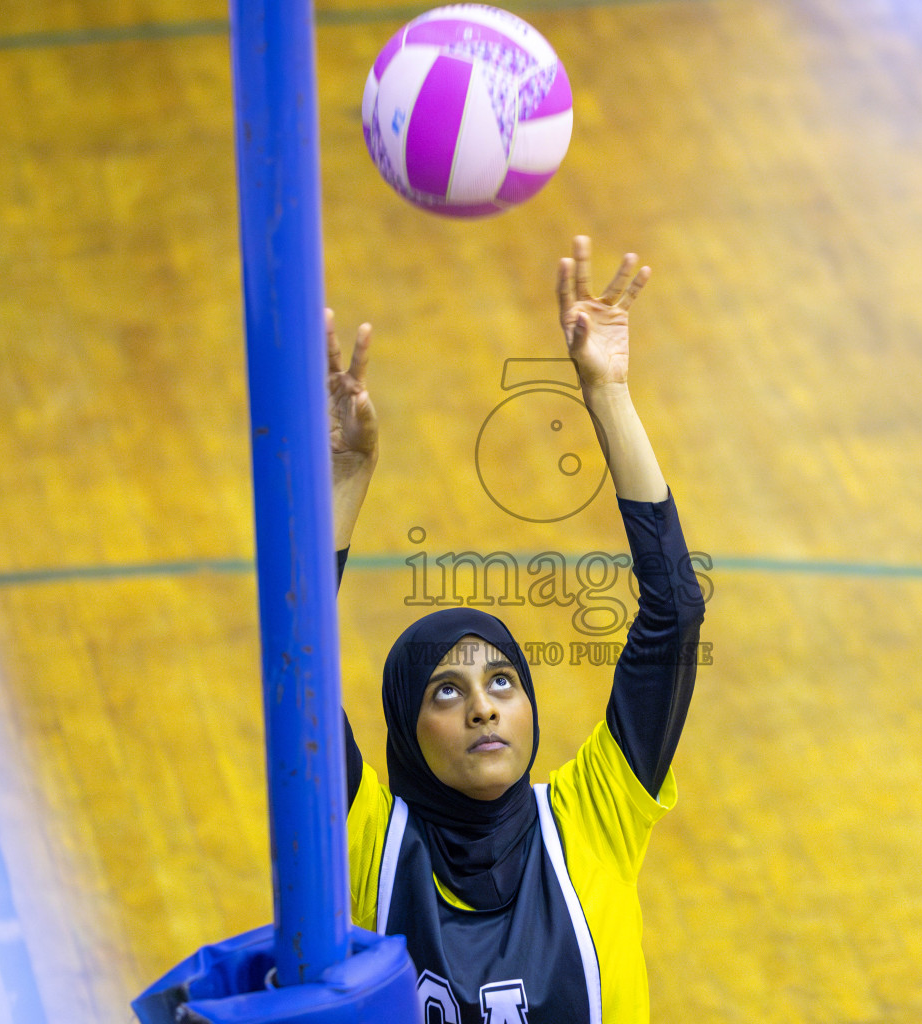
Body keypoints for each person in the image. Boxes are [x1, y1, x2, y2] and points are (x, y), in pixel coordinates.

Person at [324, 235, 706, 1024]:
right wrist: (346, 481)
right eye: (447, 690)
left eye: (502, 681)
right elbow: (293, 668)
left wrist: (607, 395)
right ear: (406, 727)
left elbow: (674, 612)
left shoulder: (597, 812)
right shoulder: (369, 843)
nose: (484, 707)